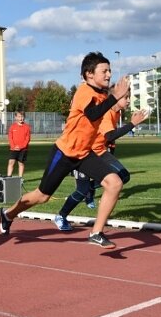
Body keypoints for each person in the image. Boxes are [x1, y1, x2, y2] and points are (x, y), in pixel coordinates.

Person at [0, 52, 130, 248]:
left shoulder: (102, 94)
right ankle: (8, 214)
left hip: (84, 154)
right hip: (64, 153)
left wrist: (117, 100)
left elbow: (104, 113)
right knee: (42, 196)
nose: (109, 74)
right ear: (89, 74)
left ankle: (96, 232)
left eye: (110, 70)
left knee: (115, 183)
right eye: (104, 71)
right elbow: (93, 114)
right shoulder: (84, 91)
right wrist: (115, 97)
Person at [54, 89, 148, 231]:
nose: (128, 100)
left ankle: (92, 187)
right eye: (126, 97)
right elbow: (110, 136)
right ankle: (61, 215)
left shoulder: (117, 112)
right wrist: (132, 124)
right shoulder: (107, 113)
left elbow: (106, 138)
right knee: (81, 191)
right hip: (86, 152)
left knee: (124, 175)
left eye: (129, 97)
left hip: (101, 152)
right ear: (116, 98)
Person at [6, 110, 31, 177]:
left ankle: (20, 179)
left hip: (23, 149)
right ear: (16, 117)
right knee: (11, 162)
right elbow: (10, 138)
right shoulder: (12, 127)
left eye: (22, 116)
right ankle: (8, 177)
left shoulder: (27, 127)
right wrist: (13, 146)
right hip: (13, 149)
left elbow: (27, 139)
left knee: (21, 164)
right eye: (19, 116)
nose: (21, 118)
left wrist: (21, 147)